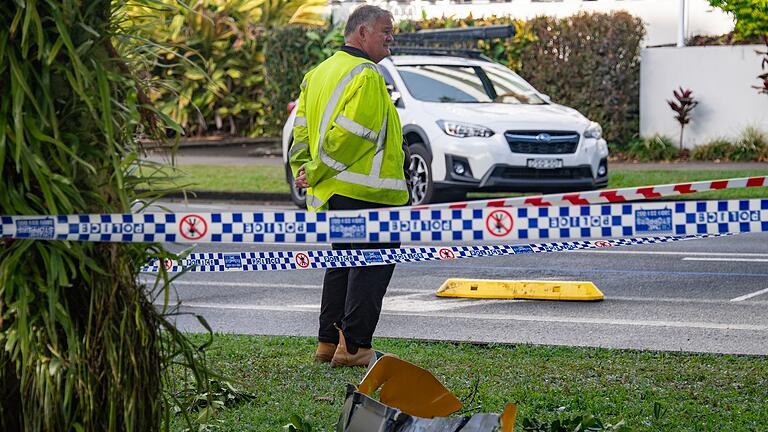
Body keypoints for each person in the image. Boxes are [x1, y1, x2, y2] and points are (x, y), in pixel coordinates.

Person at [288, 5, 409, 367]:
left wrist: (306, 169)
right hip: (370, 192)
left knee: (342, 263)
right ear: (362, 33)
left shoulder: (318, 73)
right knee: (371, 265)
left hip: (336, 193)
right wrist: (319, 169)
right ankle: (355, 347)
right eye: (385, 30)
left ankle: (329, 342)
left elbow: (301, 133)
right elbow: (356, 135)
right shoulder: (367, 74)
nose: (391, 37)